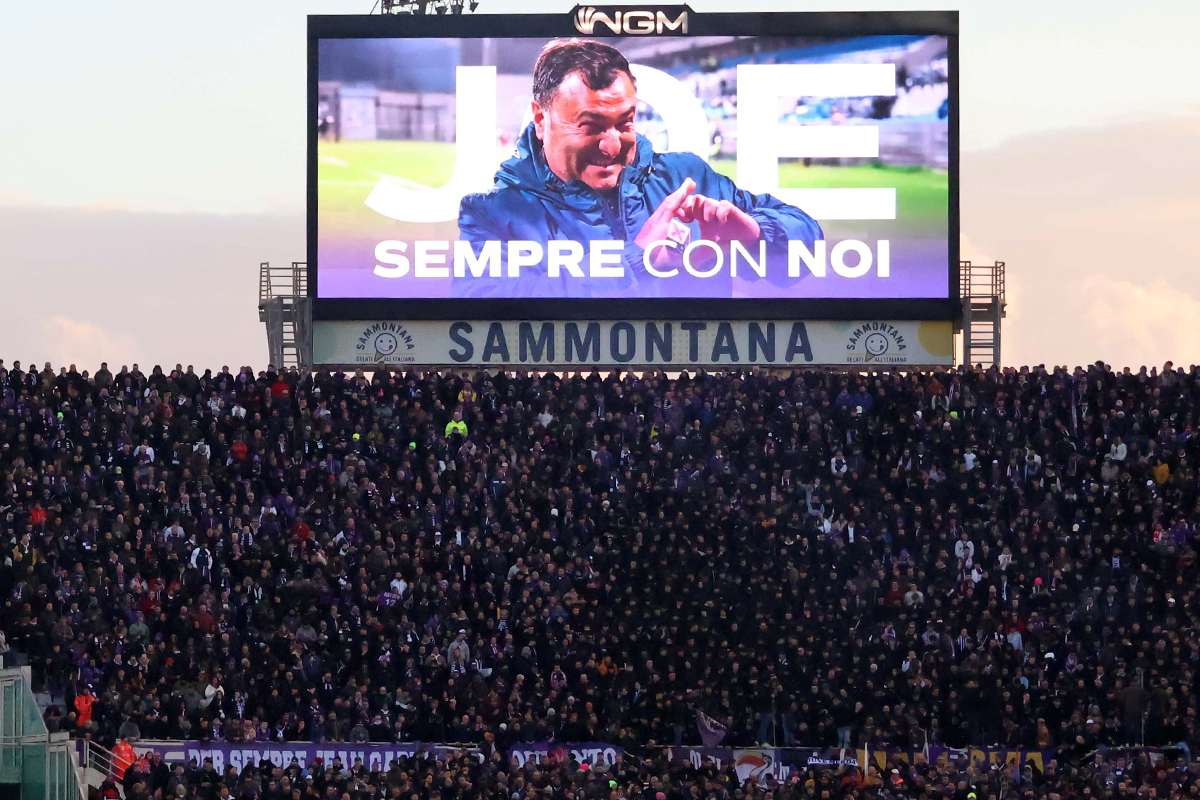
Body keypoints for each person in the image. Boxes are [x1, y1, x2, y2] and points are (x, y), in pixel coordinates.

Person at [457, 39, 821, 299]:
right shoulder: (494, 212)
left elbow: (807, 249)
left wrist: (755, 236)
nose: (612, 144)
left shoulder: (685, 179)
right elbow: (488, 307)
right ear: (541, 118)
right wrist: (634, 262)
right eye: (590, 125)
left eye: (625, 122)